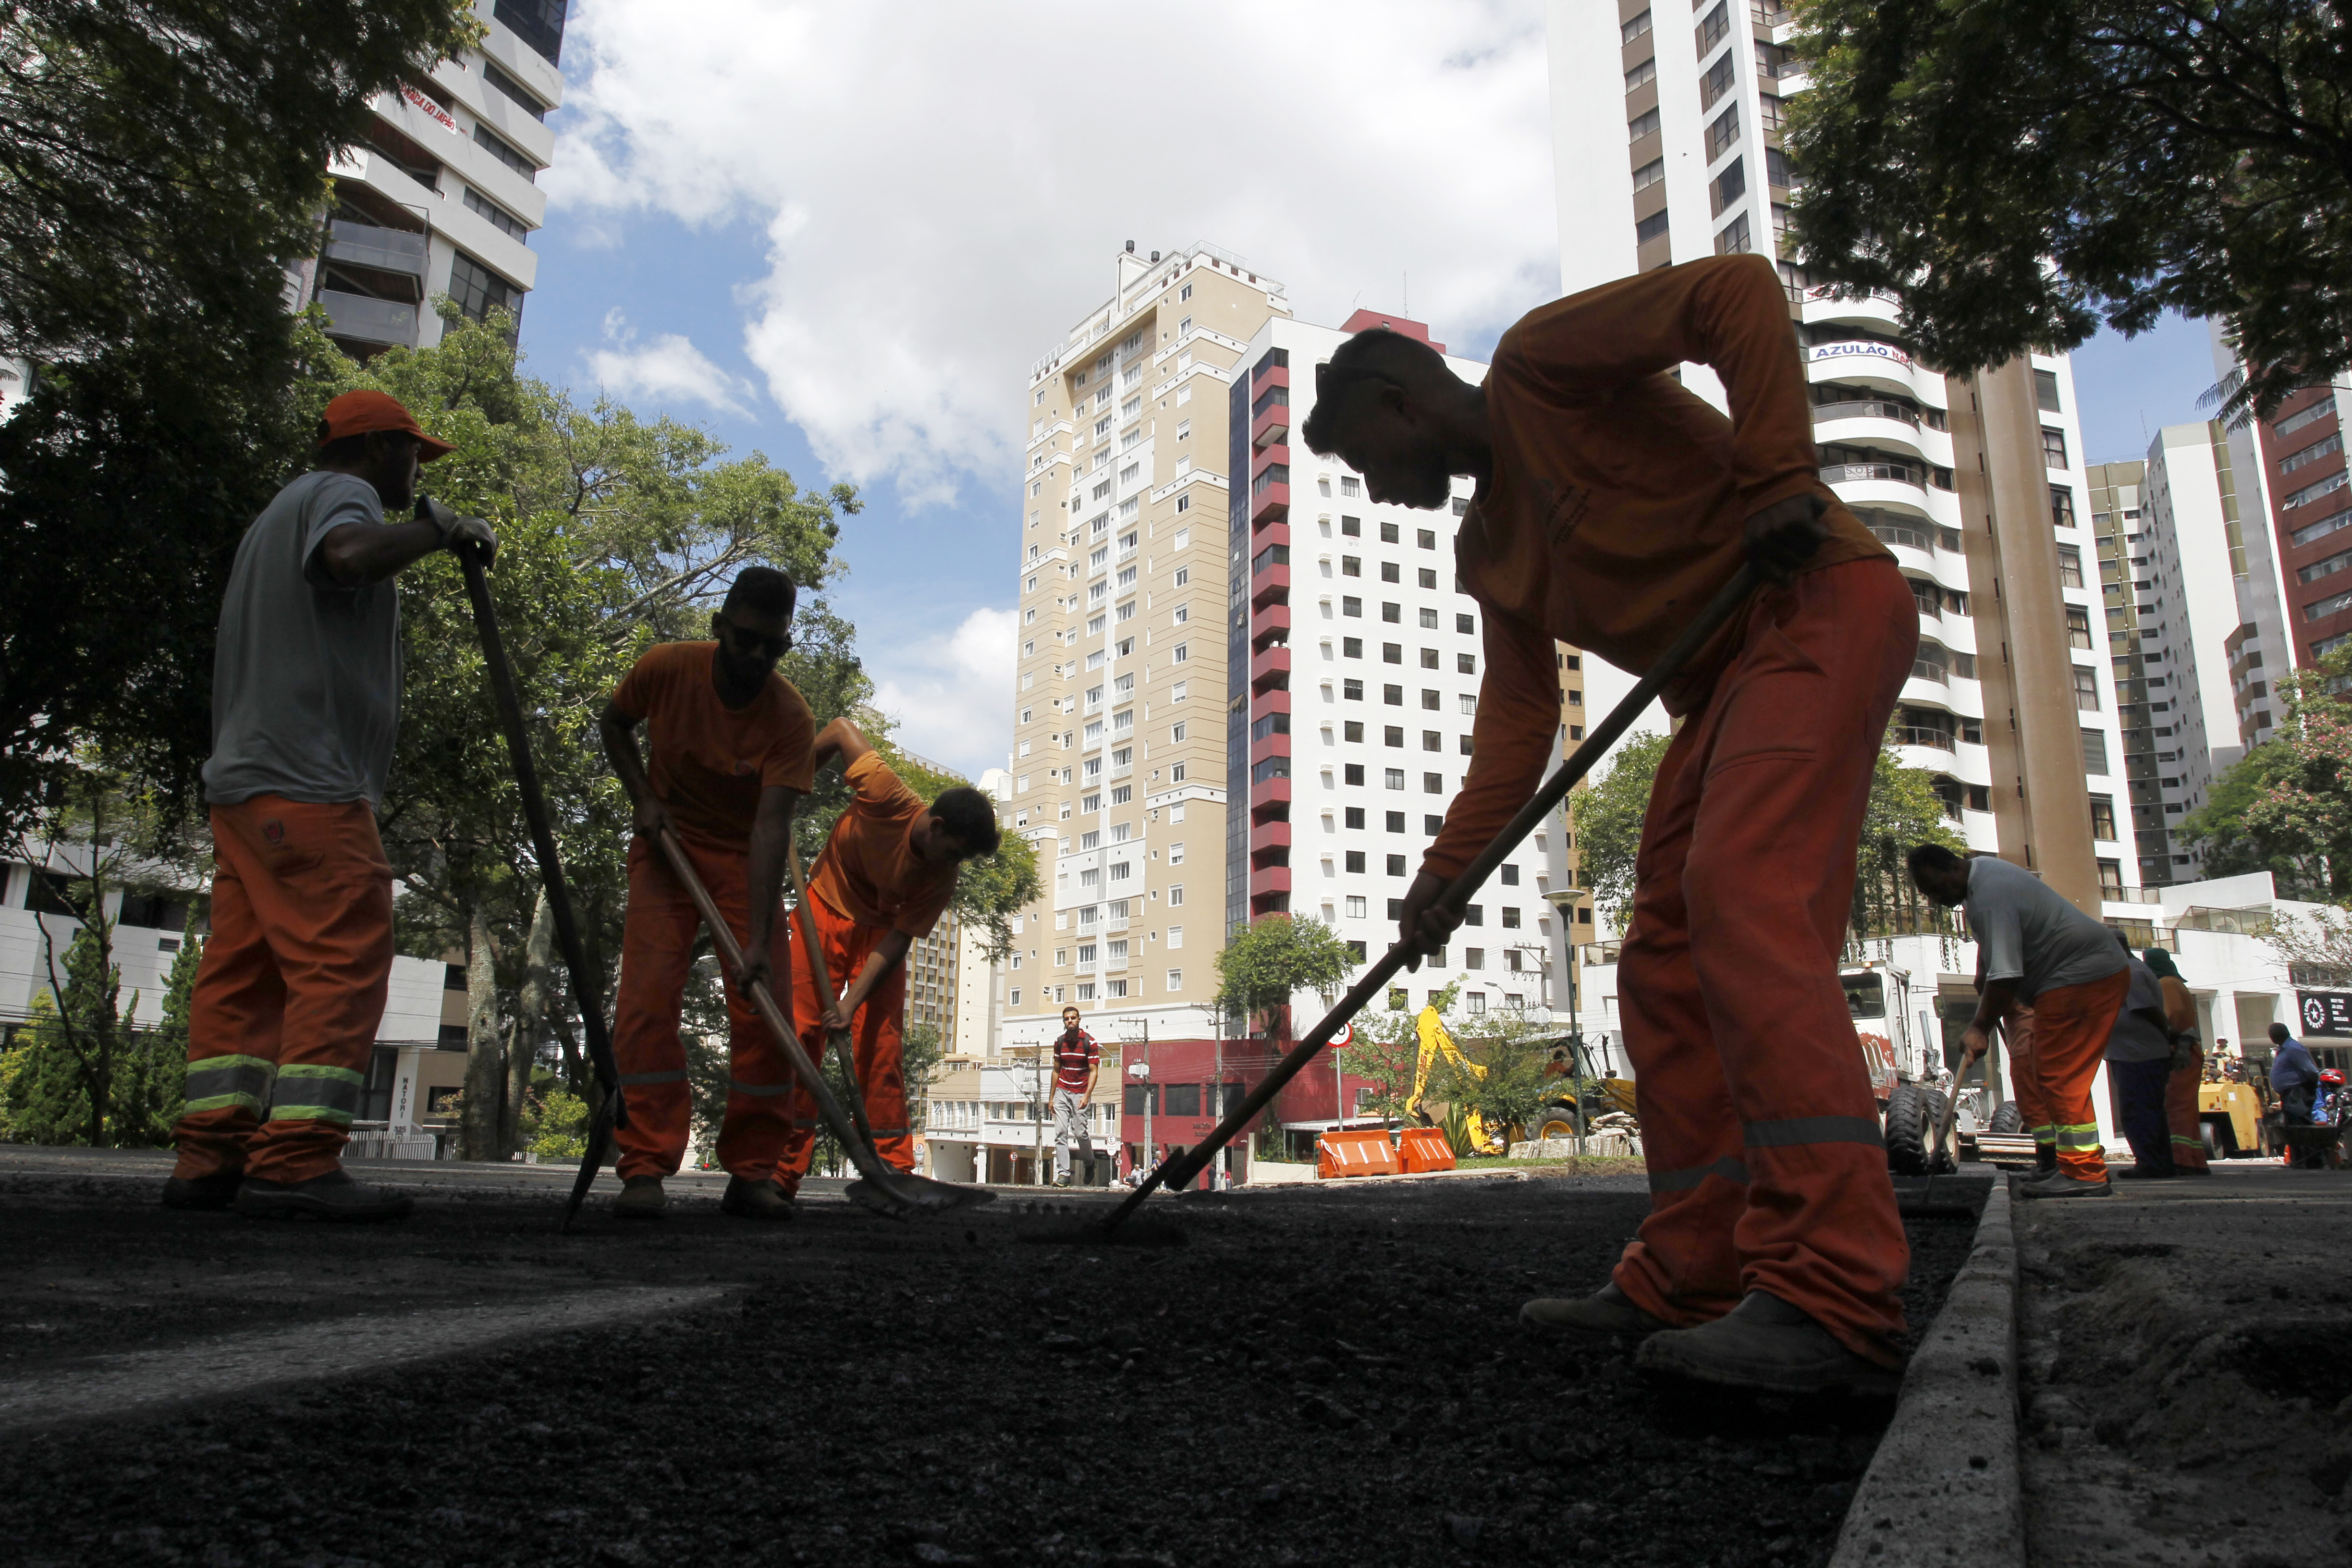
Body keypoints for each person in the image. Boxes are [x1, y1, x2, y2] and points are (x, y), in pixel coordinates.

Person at [1299, 252, 1917, 1392]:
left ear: (1399, 401)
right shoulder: (1487, 553)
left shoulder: (1540, 365)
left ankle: (1834, 1290)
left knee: (1740, 899)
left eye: (1363, 460)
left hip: (1812, 600)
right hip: (1720, 681)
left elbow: (1733, 292)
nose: (1375, 488)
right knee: (1663, 962)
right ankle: (1695, 1269)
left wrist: (1780, 472)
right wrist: (1446, 871)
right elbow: (1519, 721)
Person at [164, 391, 494, 1221]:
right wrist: (438, 531)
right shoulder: (336, 497)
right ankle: (296, 1160)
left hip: (245, 784)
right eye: (413, 452)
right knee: (342, 957)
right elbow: (347, 557)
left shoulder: (272, 515)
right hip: (305, 781)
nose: (417, 469)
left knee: (244, 971)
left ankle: (210, 1153)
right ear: (379, 446)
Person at [599, 567, 813, 1221]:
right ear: (721, 627)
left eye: (772, 648)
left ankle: (751, 1173)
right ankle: (644, 1165)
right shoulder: (667, 668)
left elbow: (770, 827)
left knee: (766, 1012)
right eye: (746, 640)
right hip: (666, 851)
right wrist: (643, 800)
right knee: (644, 1003)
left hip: (742, 857)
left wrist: (754, 942)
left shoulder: (789, 717)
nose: (757, 658)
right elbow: (615, 726)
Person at [775, 719, 1001, 1198]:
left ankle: (892, 1170)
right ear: (936, 827)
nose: (955, 864)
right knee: (800, 1036)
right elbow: (838, 731)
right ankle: (781, 1170)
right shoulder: (886, 794)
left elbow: (899, 940)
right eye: (956, 853)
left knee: (880, 1050)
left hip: (878, 935)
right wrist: (788, 790)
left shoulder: (941, 878)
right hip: (824, 908)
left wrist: (852, 1002)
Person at [1909, 846, 2131, 1198]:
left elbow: (2008, 973)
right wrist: (1984, 976)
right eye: (1927, 894)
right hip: (2076, 976)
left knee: (2060, 1073)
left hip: (2080, 976)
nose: (1936, 898)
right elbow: (1996, 953)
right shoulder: (1983, 883)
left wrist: (1980, 1025)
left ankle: (2084, 1173)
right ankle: (2067, 1166)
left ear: (1953, 867)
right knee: (2050, 1071)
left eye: (1936, 887)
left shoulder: (1991, 893)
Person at [2103, 936, 2178, 1180]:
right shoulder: (2129, 971)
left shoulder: (2131, 973)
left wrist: (2166, 1035)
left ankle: (2152, 1163)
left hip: (2138, 1055)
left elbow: (2146, 1009)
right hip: (2134, 1053)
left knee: (2139, 1111)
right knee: (2147, 1110)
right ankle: (2158, 1162)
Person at [2142, 947, 2208, 1175]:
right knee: (2187, 1109)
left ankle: (2180, 1159)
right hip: (2189, 1052)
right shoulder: (2177, 984)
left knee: (2175, 1107)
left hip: (2179, 1053)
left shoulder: (2166, 985)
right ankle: (2195, 1160)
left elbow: (2171, 1016)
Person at [1049, 1005, 1100, 1188]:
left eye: (1073, 1018)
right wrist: (1052, 1097)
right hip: (1063, 1090)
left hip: (1080, 1092)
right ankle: (1064, 1174)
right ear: (1064, 1021)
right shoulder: (1060, 1042)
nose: (1070, 1021)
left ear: (1079, 1020)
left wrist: (1087, 1095)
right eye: (1066, 1019)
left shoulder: (1090, 1043)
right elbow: (1056, 1070)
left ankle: (1090, 1163)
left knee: (1080, 1132)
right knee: (1061, 1132)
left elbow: (1094, 1072)